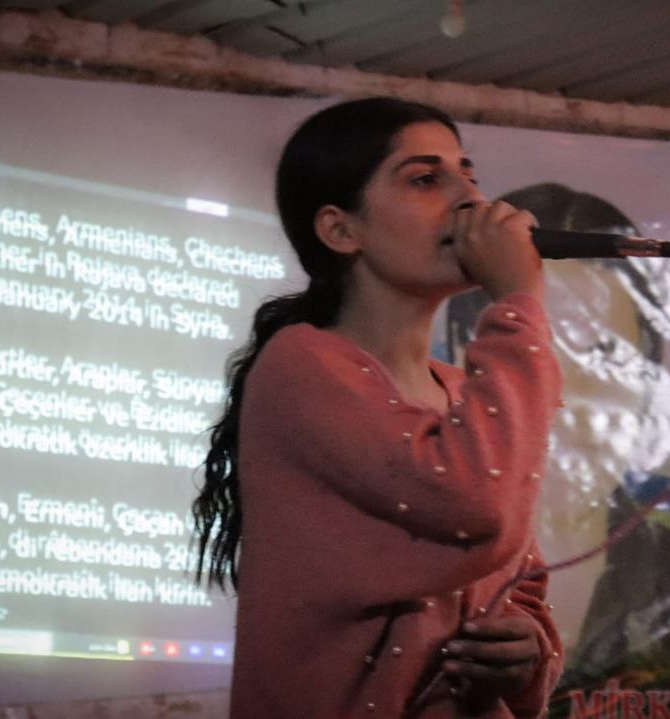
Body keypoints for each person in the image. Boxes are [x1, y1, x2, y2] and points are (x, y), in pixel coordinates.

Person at [191, 97, 565, 718]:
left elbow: (518, 578)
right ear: (341, 231)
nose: (471, 200)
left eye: (468, 173)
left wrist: (527, 648)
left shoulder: (462, 390)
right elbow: (474, 503)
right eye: (426, 180)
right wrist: (518, 300)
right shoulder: (303, 364)